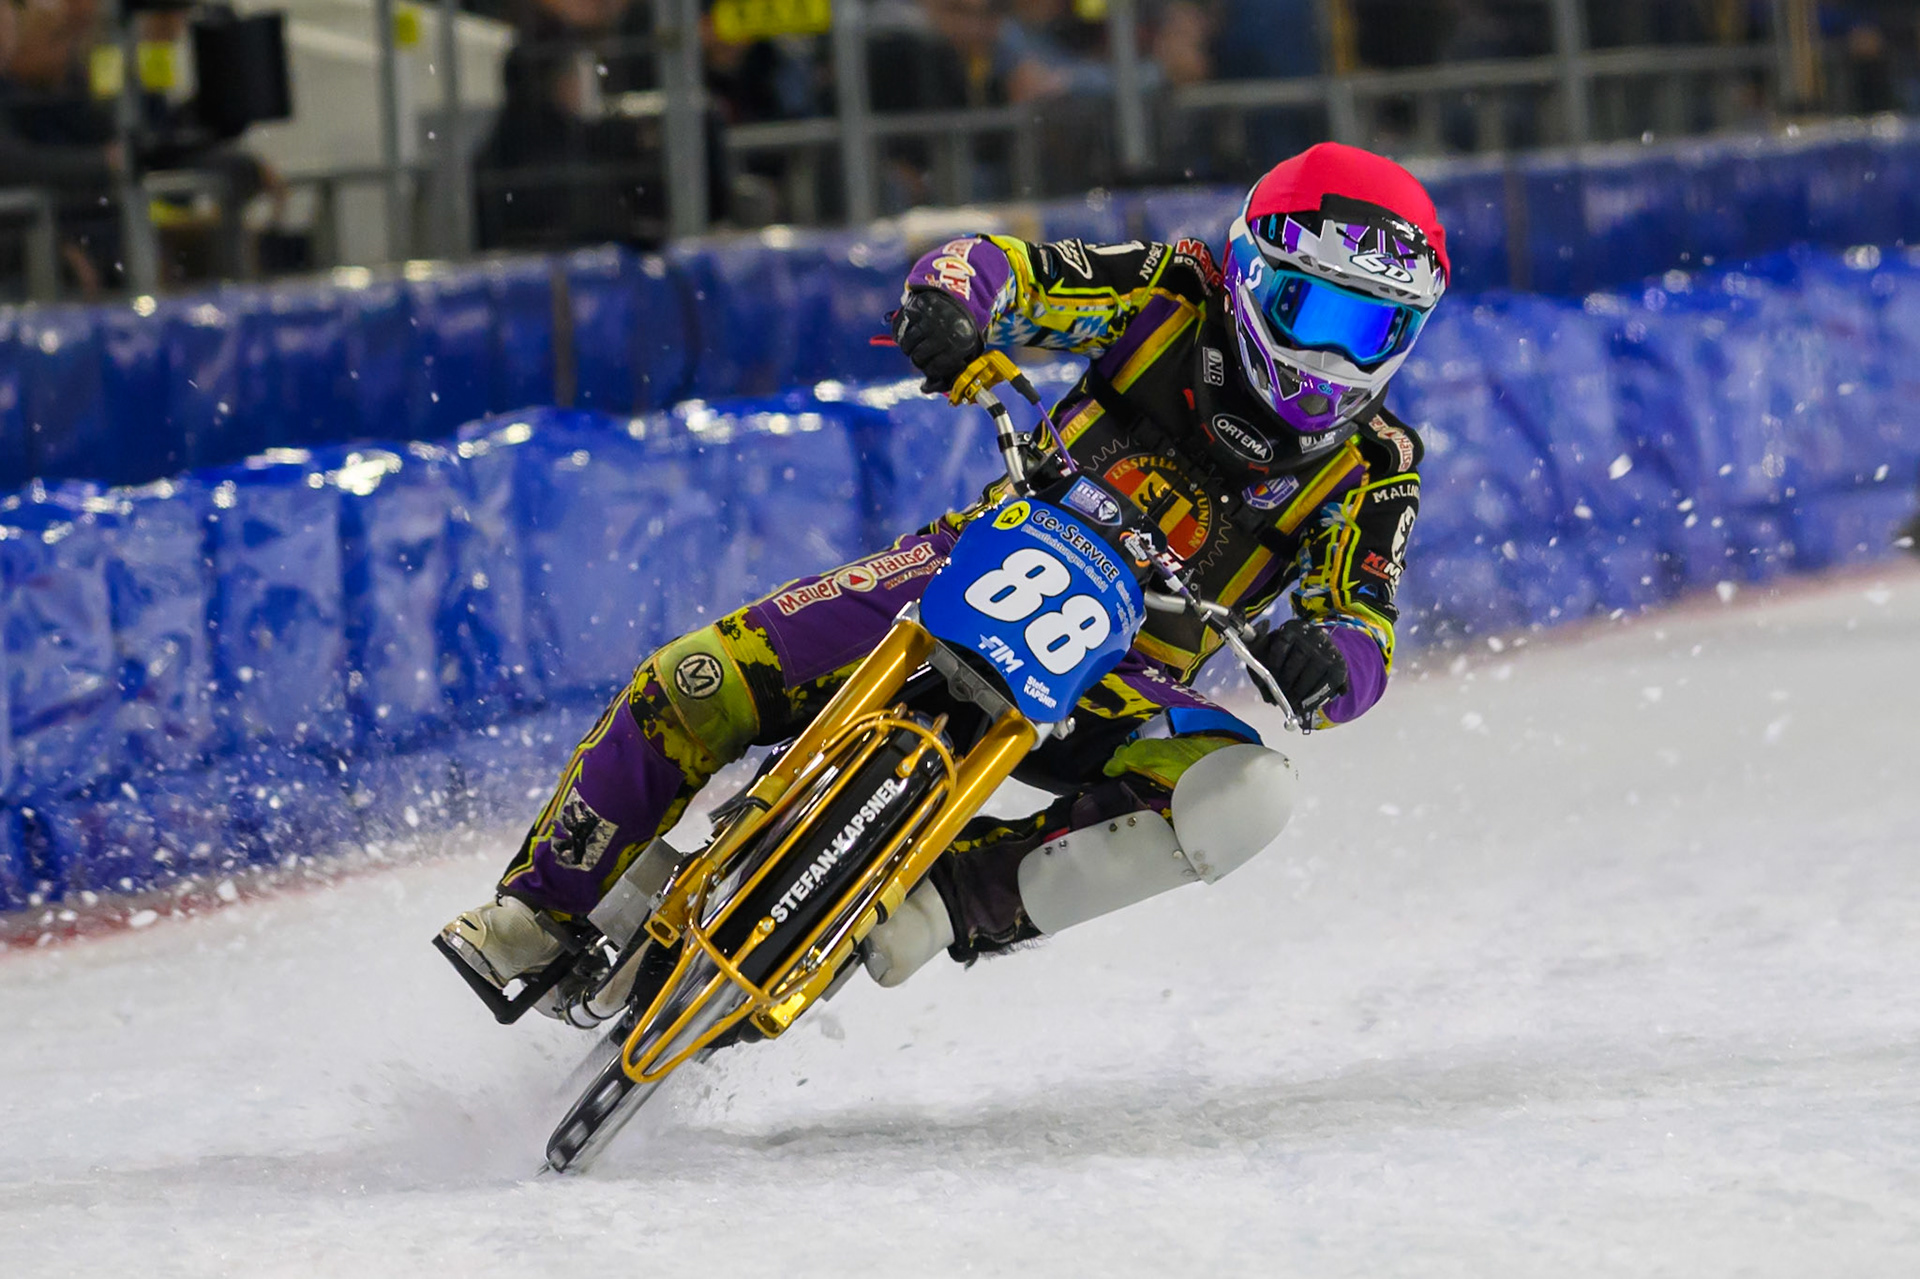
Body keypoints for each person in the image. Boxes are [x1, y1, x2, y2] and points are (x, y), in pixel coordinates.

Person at [440, 142, 1447, 1000]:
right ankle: (539, 906)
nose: (1328, 354)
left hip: (1121, 686)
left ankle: (949, 897)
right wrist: (949, 306)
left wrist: (1328, 661)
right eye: (1312, 311)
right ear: (1252, 275)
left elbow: (1365, 624)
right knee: (693, 680)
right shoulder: (1170, 286)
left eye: (1364, 329)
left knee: (1249, 793)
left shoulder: (1377, 469)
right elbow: (1006, 266)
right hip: (973, 564)